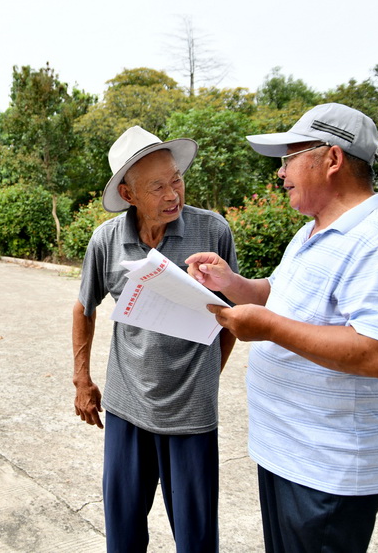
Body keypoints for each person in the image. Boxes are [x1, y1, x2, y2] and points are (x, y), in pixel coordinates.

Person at [185, 103, 378, 553]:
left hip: (329, 471)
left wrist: (269, 329)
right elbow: (279, 294)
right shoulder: (312, 231)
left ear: (331, 159)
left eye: (289, 158)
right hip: (287, 452)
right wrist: (231, 284)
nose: (281, 173)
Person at [73, 125, 238, 552]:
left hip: (191, 415)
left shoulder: (212, 232)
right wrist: (82, 381)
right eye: (158, 187)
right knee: (123, 531)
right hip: (127, 407)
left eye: (176, 180)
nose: (173, 195)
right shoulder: (106, 240)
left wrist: (206, 375)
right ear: (128, 194)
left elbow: (233, 314)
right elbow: (84, 307)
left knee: (196, 536)